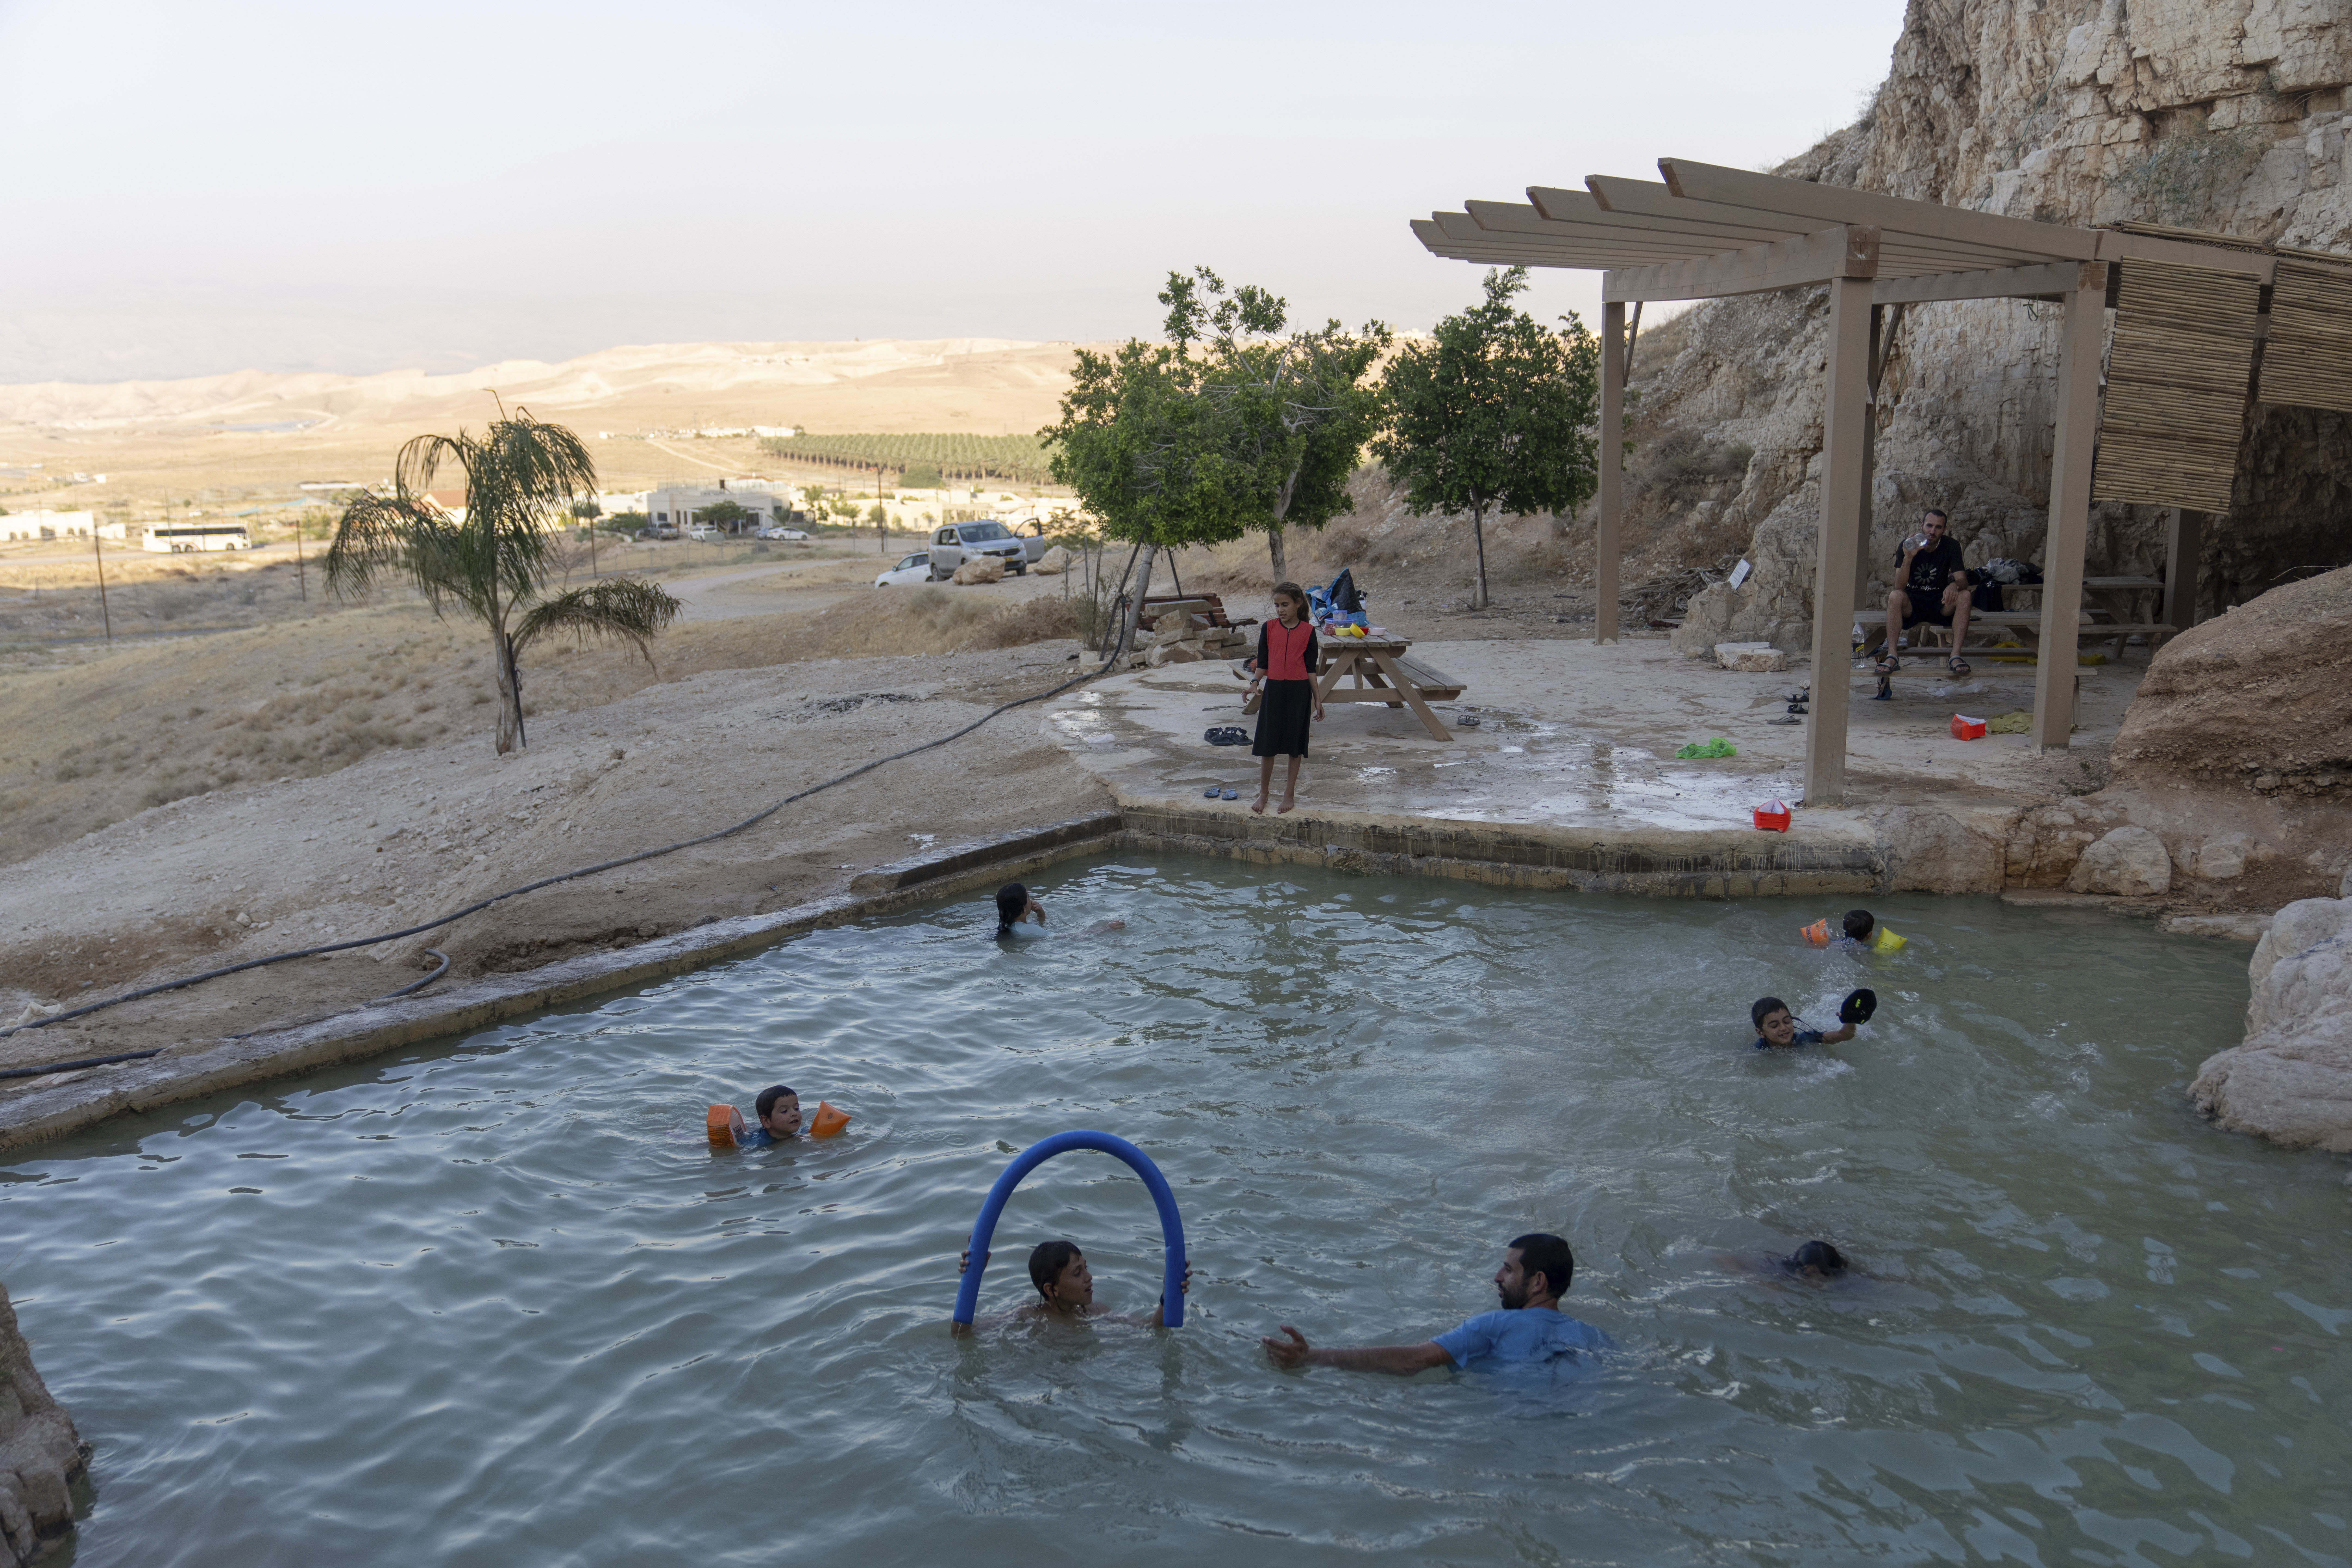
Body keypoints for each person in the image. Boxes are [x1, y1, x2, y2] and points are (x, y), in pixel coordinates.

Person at [1260, 1234, 1610, 1375]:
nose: (1497, 1277)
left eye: (1508, 1269)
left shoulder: (1494, 1326)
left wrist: (1313, 1357)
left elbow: (1413, 1361)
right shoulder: (1596, 1340)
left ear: (1538, 1283)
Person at [951, 1239, 1191, 1334]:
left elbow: (1152, 1329)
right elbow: (961, 1334)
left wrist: (1167, 1294)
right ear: (1051, 1289)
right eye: (1078, 1273)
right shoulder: (1026, 1315)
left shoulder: (1095, 1312)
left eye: (1086, 1268)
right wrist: (973, 1279)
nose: (1090, 1277)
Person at [1246, 582, 1324, 817]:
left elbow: (1311, 670)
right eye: (1277, 605)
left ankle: (1289, 794)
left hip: (1300, 692)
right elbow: (1263, 663)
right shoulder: (1268, 629)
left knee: (1295, 745)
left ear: (1298, 604)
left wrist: (1318, 700)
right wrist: (1254, 683)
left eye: (1285, 605)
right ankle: (1264, 792)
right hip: (1275, 691)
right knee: (1268, 745)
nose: (1280, 609)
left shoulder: (1309, 632)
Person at [1872, 508, 1974, 677]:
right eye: (1929, 526)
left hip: (1940, 602)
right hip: (1913, 602)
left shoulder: (1951, 546)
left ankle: (1955, 656)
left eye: (1938, 528)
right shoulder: (1907, 545)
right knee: (1895, 596)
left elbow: (1963, 581)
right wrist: (1909, 558)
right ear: (1922, 525)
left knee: (1965, 595)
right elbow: (1899, 586)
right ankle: (1892, 656)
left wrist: (1954, 586)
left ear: (1944, 529)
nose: (1932, 532)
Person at [993, 881, 1122, 939]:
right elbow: (1066, 938)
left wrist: (1041, 917)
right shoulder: (1029, 930)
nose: (1031, 901)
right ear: (1023, 907)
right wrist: (1106, 928)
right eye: (1028, 897)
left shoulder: (1006, 925)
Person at [1751, 996, 1858, 1050]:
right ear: (1761, 1033)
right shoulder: (1759, 1050)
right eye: (1775, 1026)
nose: (1784, 1028)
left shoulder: (1804, 1039)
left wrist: (1849, 1020)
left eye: (1787, 1022)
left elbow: (1845, 1035)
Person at [715, 1084, 803, 1146]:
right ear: (767, 1121)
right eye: (785, 1111)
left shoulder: (803, 1132)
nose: (794, 1114)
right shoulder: (757, 1143)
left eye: (796, 1108)